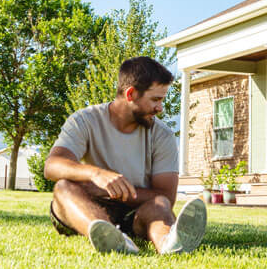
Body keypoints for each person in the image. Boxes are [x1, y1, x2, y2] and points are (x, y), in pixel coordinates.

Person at [45, 56, 206, 255]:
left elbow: (166, 197)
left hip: (135, 213)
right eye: (155, 99)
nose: (160, 108)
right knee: (63, 187)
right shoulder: (84, 120)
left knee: (159, 204)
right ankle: (111, 236)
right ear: (130, 94)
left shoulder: (162, 135)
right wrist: (96, 175)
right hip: (85, 208)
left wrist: (114, 191)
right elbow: (52, 166)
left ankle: (169, 243)